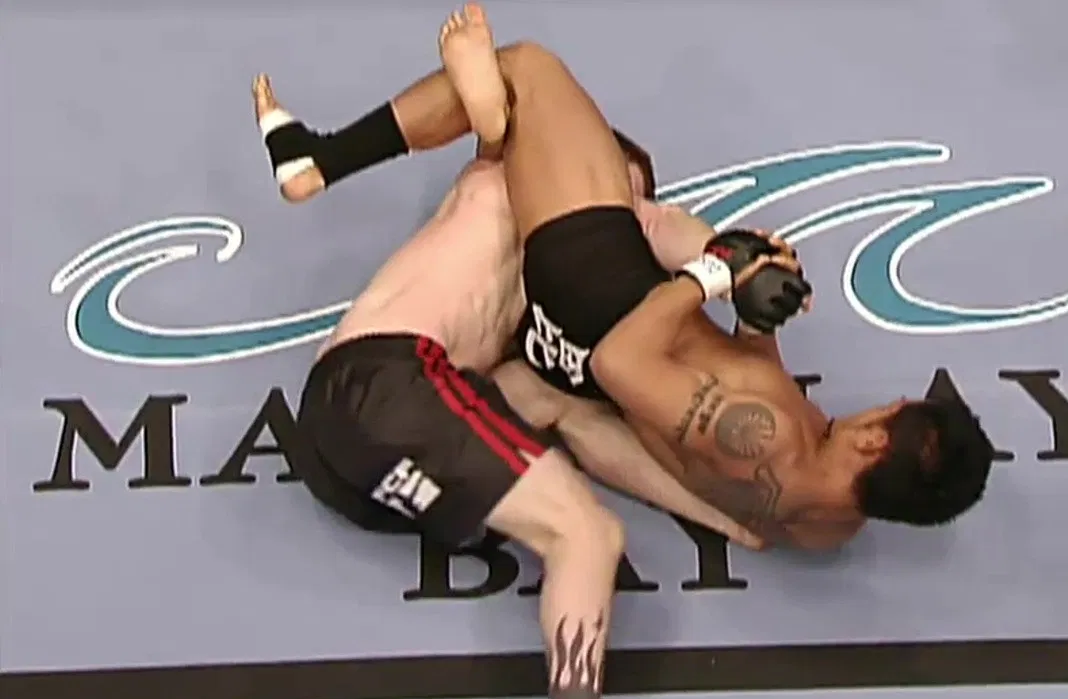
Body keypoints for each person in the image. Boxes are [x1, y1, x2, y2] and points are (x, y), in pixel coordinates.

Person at [260, 4, 996, 551]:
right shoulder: (830, 525)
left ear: (873, 444)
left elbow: (623, 362)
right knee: (576, 185)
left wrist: (710, 277)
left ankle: (326, 159)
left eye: (888, 413)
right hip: (577, 354)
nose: (876, 407)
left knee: (528, 69)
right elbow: (689, 420)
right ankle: (496, 134)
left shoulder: (766, 435)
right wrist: (755, 318)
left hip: (602, 302)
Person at [261, 9, 766, 699]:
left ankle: (318, 160)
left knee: (556, 455)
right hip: (387, 376)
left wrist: (718, 513)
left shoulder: (535, 328)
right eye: (617, 189)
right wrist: (726, 266)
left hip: (347, 455)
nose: (619, 215)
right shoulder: (503, 180)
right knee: (587, 536)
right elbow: (498, 118)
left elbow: (585, 429)